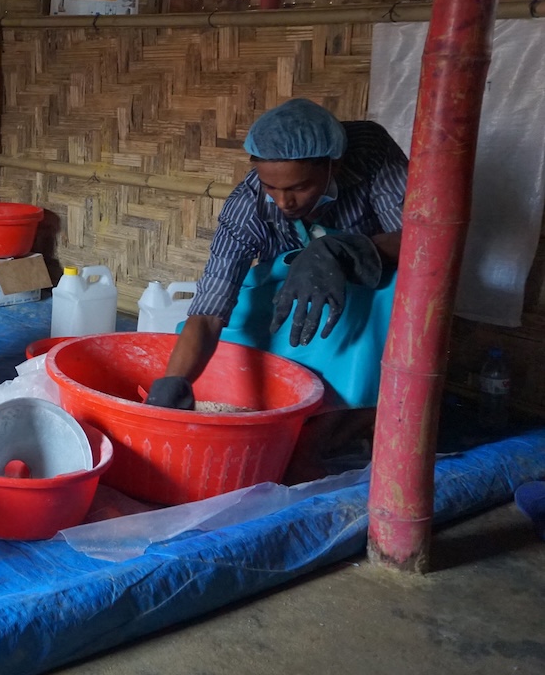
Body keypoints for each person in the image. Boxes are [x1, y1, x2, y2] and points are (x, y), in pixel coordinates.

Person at [146, 100, 408, 452]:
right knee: (234, 331)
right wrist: (173, 383)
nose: (284, 202)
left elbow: (419, 239)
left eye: (299, 187)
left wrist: (342, 249)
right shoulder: (246, 207)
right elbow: (208, 313)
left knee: (389, 303)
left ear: (335, 165)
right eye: (271, 187)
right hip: (286, 290)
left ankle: (350, 421)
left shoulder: (370, 155)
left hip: (367, 291)